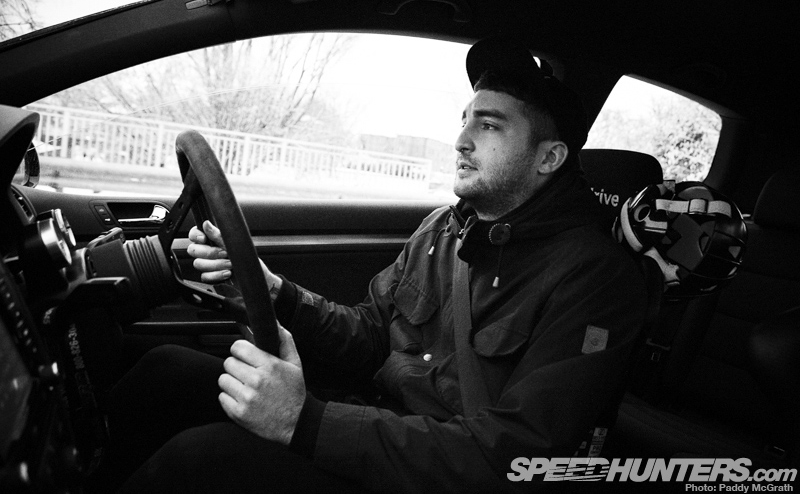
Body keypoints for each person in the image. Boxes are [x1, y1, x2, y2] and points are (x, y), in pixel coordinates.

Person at [103, 36, 647, 493]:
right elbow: (368, 334)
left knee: (201, 463)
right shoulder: (442, 230)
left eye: (489, 126)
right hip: (374, 426)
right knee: (167, 374)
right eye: (464, 121)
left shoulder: (595, 279)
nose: (460, 141)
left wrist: (308, 423)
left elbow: (517, 456)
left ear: (548, 158)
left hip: (431, 473)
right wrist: (276, 293)